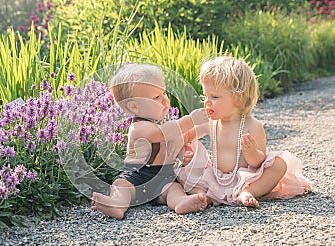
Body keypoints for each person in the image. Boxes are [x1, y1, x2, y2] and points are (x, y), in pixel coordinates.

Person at [177, 56, 312, 208]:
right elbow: (186, 137)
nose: (207, 102)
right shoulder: (210, 122)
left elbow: (258, 162)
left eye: (214, 97)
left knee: (279, 165)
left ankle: (247, 192)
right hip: (215, 177)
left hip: (245, 178)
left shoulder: (252, 126)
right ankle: (202, 197)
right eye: (205, 96)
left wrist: (251, 152)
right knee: (185, 170)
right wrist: (185, 150)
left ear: (238, 98)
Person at [91, 63, 209, 219]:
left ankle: (181, 202)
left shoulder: (166, 123)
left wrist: (208, 127)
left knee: (173, 189)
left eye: (164, 93)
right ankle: (117, 204)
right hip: (137, 176)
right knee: (122, 186)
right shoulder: (139, 127)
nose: (165, 101)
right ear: (134, 107)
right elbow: (161, 134)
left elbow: (183, 137)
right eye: (156, 97)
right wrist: (190, 120)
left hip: (163, 178)